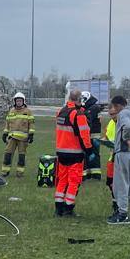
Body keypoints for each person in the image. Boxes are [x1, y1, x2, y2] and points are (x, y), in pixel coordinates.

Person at [53, 88, 91, 216]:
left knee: (62, 180)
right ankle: (68, 208)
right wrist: (89, 149)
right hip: (75, 153)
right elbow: (84, 134)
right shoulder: (78, 114)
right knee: (74, 181)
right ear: (79, 99)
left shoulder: (60, 112)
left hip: (61, 151)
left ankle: (58, 208)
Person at [107, 95, 130, 224]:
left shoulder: (123, 114)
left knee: (121, 184)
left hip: (123, 153)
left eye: (113, 107)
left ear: (117, 106)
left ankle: (122, 214)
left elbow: (127, 126)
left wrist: (126, 139)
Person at [1, 91, 34, 177]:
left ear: (23, 101)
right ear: (15, 101)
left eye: (20, 101)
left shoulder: (28, 111)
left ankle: (20, 173)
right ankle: (5, 172)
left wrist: (31, 134)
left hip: (23, 139)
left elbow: (31, 123)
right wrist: (5, 133)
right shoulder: (11, 111)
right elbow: (7, 123)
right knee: (8, 154)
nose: (18, 102)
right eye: (17, 101)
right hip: (12, 138)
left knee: (21, 156)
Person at [81, 92, 106, 183]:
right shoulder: (93, 107)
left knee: (93, 155)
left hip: (93, 135)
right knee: (90, 155)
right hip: (92, 135)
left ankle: (95, 175)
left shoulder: (93, 108)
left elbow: (87, 119)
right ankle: (91, 174)